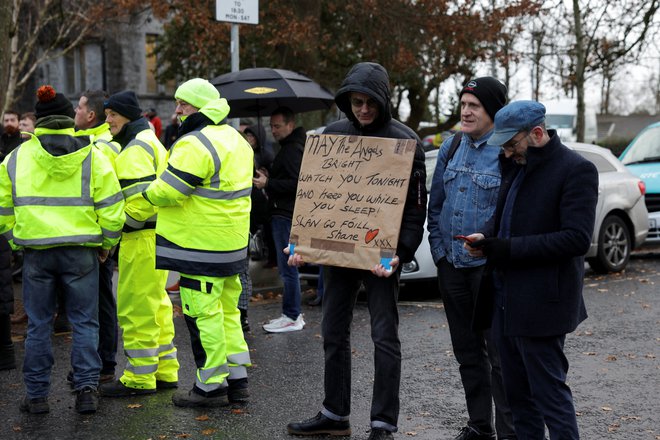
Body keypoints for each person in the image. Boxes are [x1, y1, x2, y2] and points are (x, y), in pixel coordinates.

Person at [286, 62, 427, 440]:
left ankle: (383, 423)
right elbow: (316, 198)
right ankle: (335, 414)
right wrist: (303, 247)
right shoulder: (332, 136)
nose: (363, 110)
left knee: (384, 336)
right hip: (338, 253)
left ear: (384, 101)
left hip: (382, 254)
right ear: (346, 102)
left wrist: (402, 252)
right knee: (332, 329)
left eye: (370, 103)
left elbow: (415, 210)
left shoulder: (404, 141)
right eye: (356, 103)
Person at [466, 100, 598, 439]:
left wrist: (507, 249)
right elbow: (511, 225)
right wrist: (489, 239)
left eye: (512, 144)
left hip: (543, 306)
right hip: (505, 304)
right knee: (518, 402)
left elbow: (576, 239)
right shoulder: (518, 167)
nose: (508, 153)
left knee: (550, 398)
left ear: (537, 133)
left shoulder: (576, 169)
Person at [0, 85, 124, 414]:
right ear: (70, 118)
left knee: (39, 325)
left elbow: (3, 208)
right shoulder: (94, 156)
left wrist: (18, 240)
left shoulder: (15, 159)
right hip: (82, 252)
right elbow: (113, 207)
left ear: (38, 122)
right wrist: (106, 246)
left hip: (37, 254)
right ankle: (86, 390)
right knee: (85, 323)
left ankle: (37, 396)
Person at [143, 78, 253, 408]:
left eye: (184, 105)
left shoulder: (194, 143)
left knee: (201, 316)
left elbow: (169, 190)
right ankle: (237, 381)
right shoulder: (236, 139)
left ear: (201, 108)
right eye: (177, 103)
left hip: (199, 247)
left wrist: (146, 191)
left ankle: (209, 386)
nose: (177, 110)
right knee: (227, 313)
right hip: (231, 247)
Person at [427, 77, 516, 440]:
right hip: (453, 269)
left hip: (488, 272)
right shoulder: (450, 148)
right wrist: (441, 255)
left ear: (493, 112)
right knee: (467, 353)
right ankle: (480, 426)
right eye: (463, 104)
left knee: (499, 356)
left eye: (474, 106)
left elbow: (514, 214)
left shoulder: (506, 153)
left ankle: (510, 432)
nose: (465, 111)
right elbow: (436, 209)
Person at [99, 90, 180, 397]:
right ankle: (164, 370)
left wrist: (116, 227)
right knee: (156, 304)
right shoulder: (150, 142)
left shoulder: (134, 150)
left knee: (136, 307)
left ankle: (138, 377)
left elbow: (142, 201)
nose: (108, 121)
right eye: (106, 115)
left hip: (140, 238)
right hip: (156, 237)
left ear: (128, 116)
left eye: (112, 115)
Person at [73, 89, 121, 384]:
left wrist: (106, 242)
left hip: (99, 236)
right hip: (96, 234)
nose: (75, 112)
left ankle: (104, 363)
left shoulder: (101, 144)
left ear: (91, 115)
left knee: (100, 300)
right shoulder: (97, 140)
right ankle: (99, 361)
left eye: (79, 108)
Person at [255, 107, 306, 333]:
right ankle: (290, 313)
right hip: (282, 214)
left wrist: (269, 184)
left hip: (285, 216)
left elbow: (298, 184)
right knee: (287, 269)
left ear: (290, 125)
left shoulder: (293, 149)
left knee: (288, 269)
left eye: (277, 126)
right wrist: (270, 175)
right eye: (271, 126)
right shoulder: (288, 147)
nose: (273, 130)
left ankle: (292, 315)